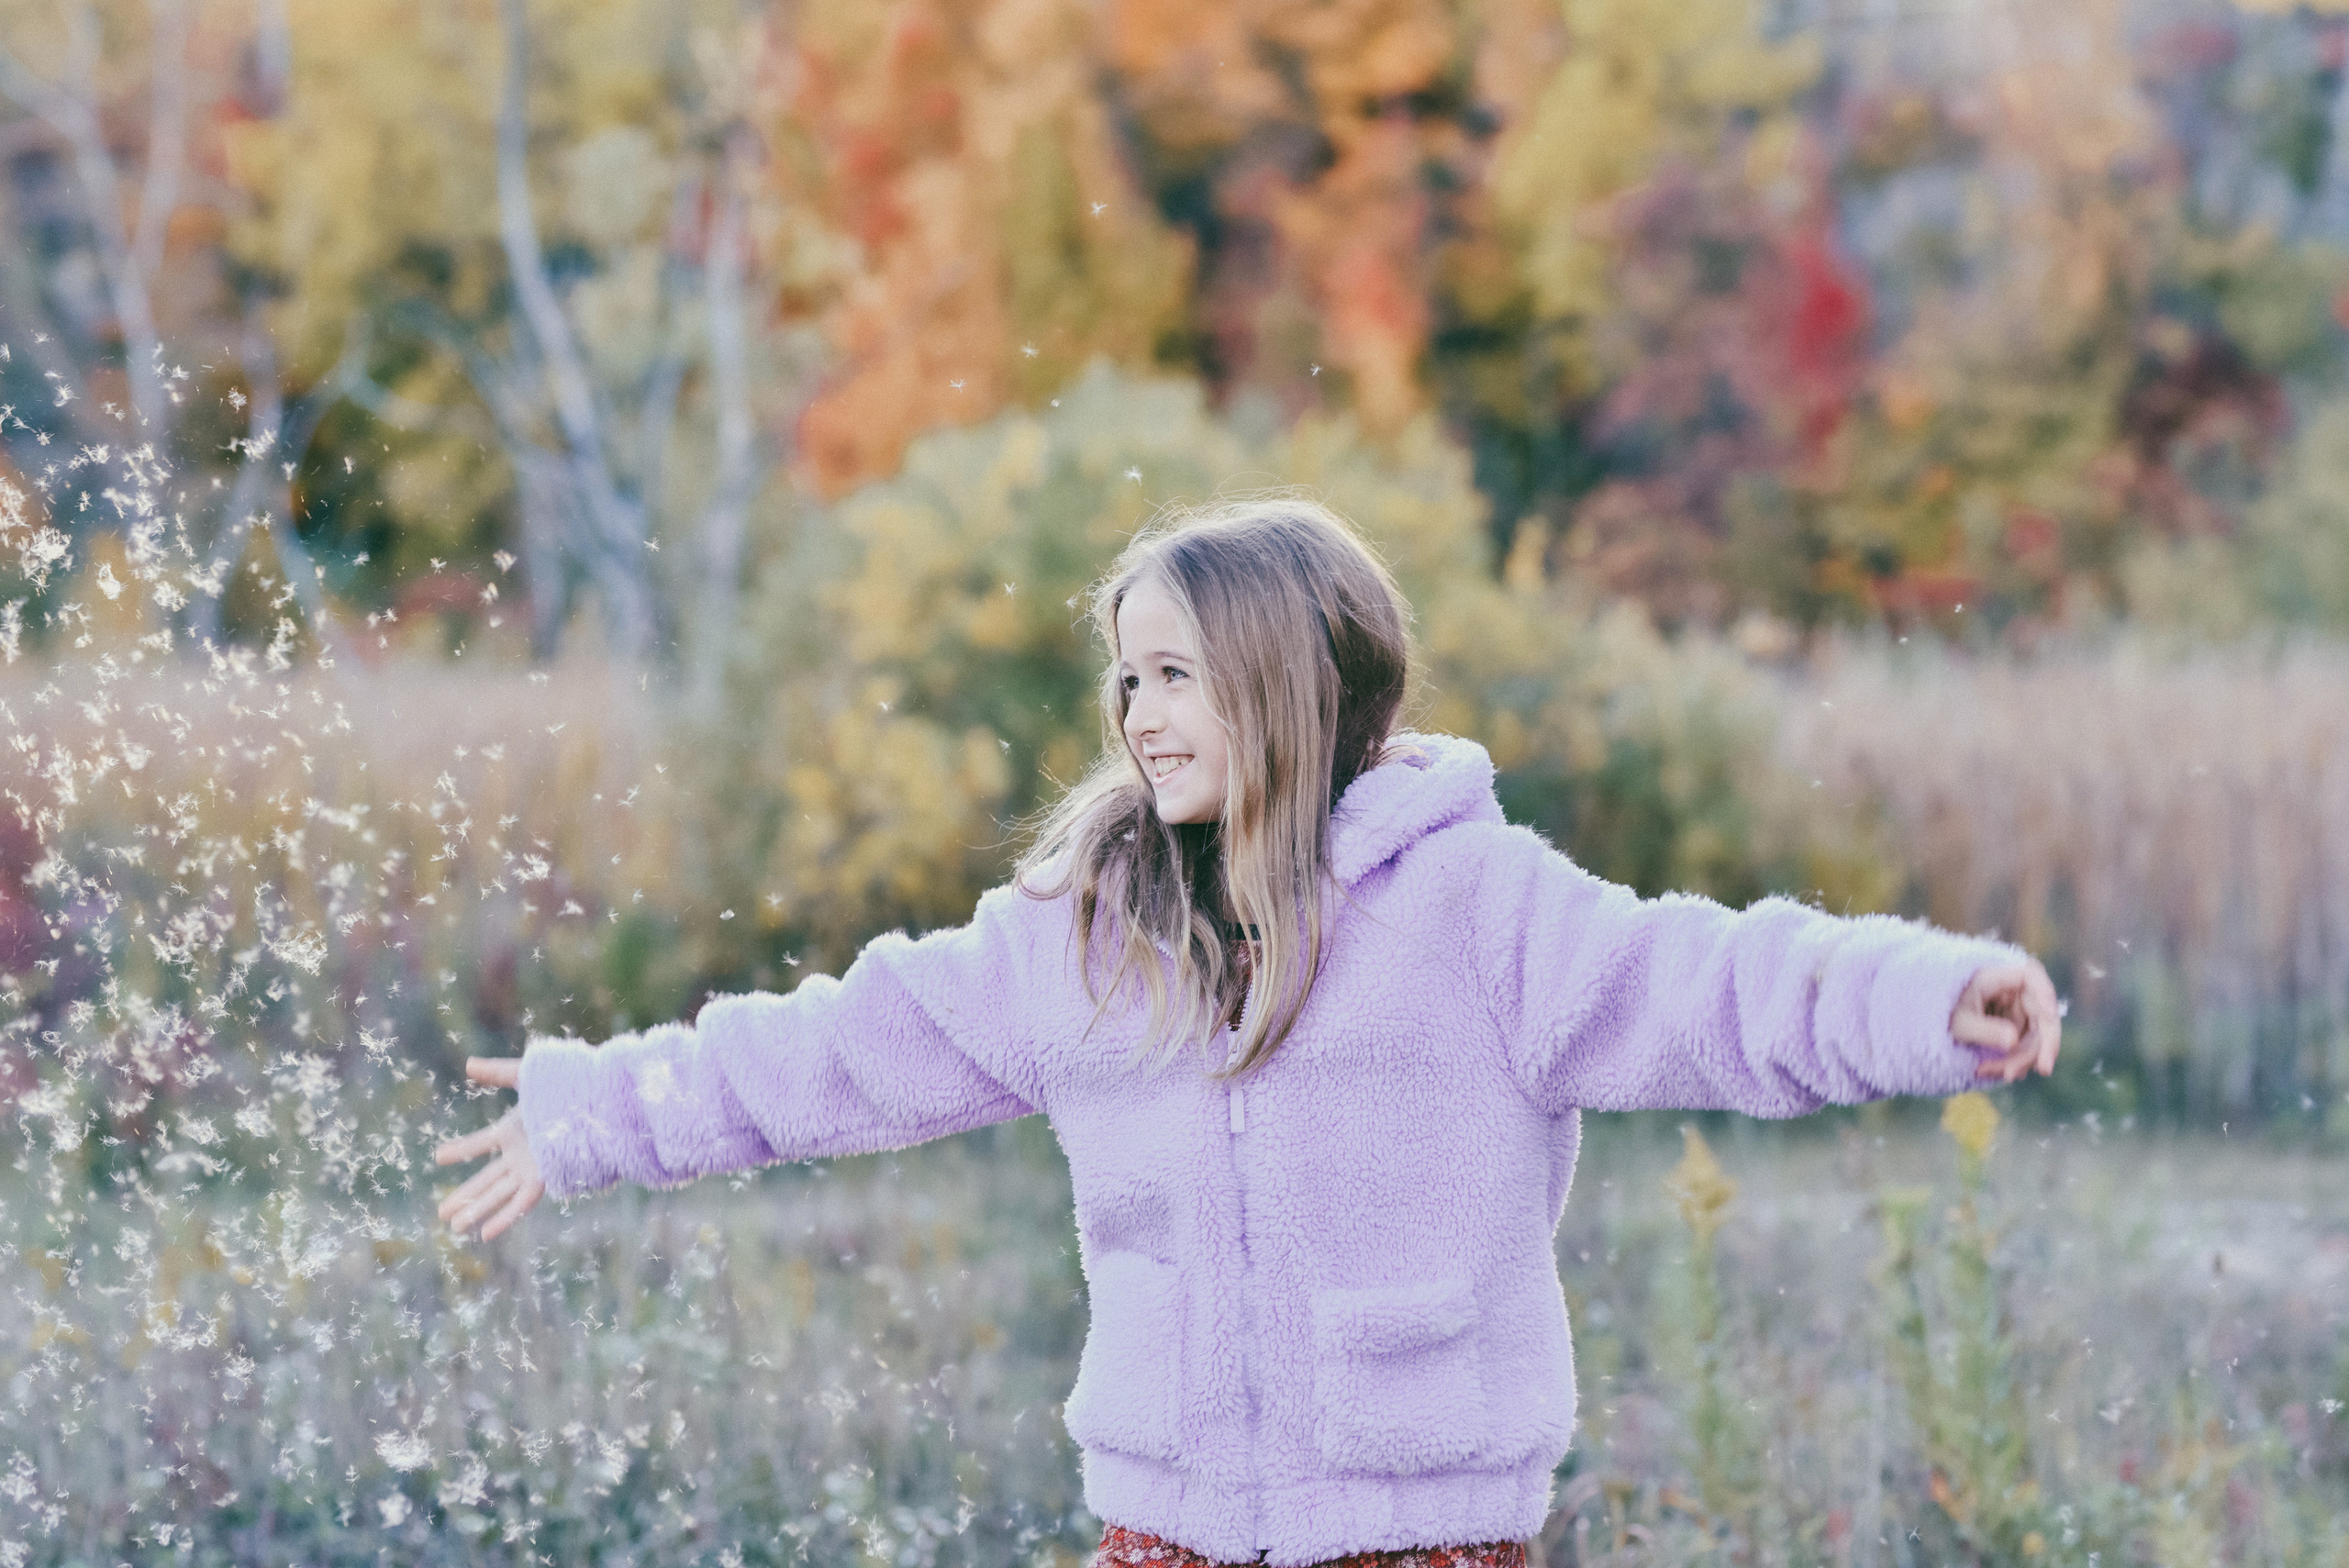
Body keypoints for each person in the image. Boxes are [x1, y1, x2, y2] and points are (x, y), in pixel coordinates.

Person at [435, 497, 2061, 1568]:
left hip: (1422, 1529)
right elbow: (843, 1047)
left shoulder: (1479, 912)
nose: (1136, 713)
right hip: (1163, 1529)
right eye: (1123, 677)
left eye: (1174, 674)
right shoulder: (1089, 936)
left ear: (1286, 680)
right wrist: (597, 1109)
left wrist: (1925, 997)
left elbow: (1716, 983)